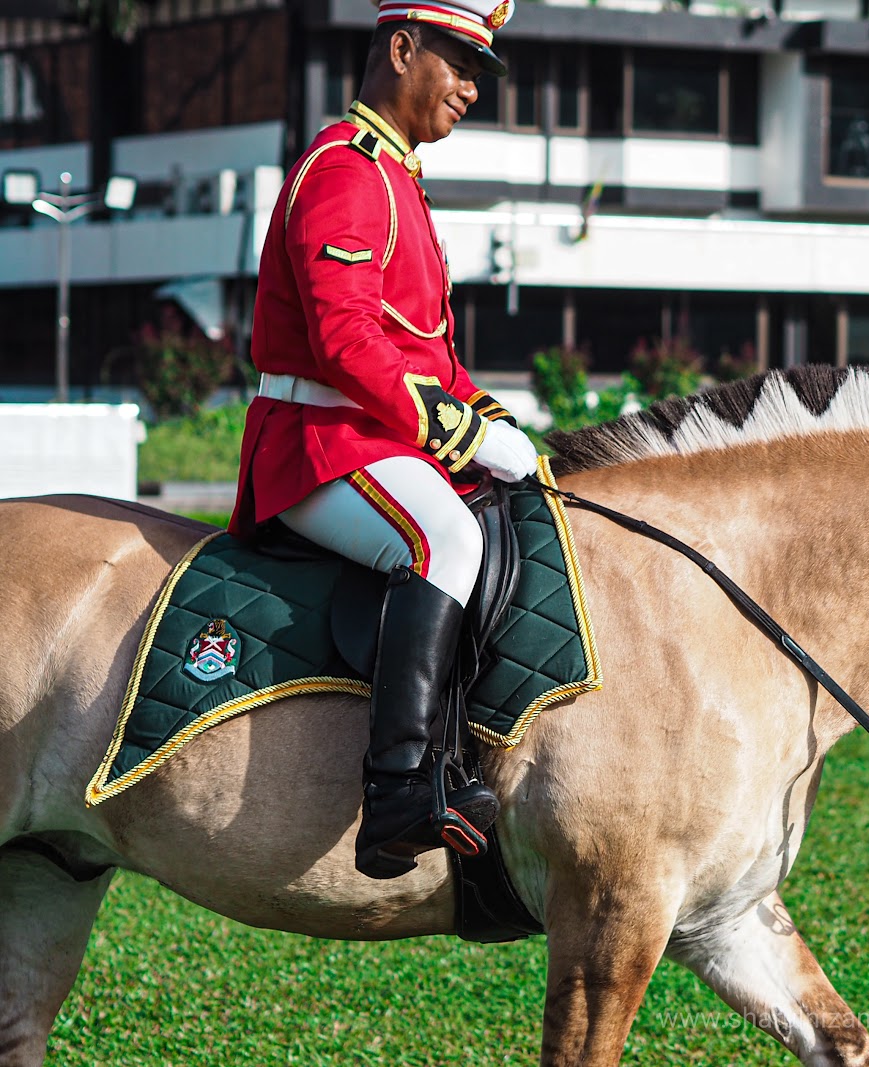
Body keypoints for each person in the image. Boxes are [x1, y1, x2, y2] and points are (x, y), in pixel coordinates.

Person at [229, 0, 538, 880]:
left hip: (373, 437)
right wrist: (456, 429)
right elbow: (345, 341)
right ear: (401, 50)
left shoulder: (398, 181)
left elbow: (429, 354)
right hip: (316, 439)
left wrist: (501, 425)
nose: (473, 89)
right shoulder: (346, 170)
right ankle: (399, 786)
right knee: (444, 536)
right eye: (459, 65)